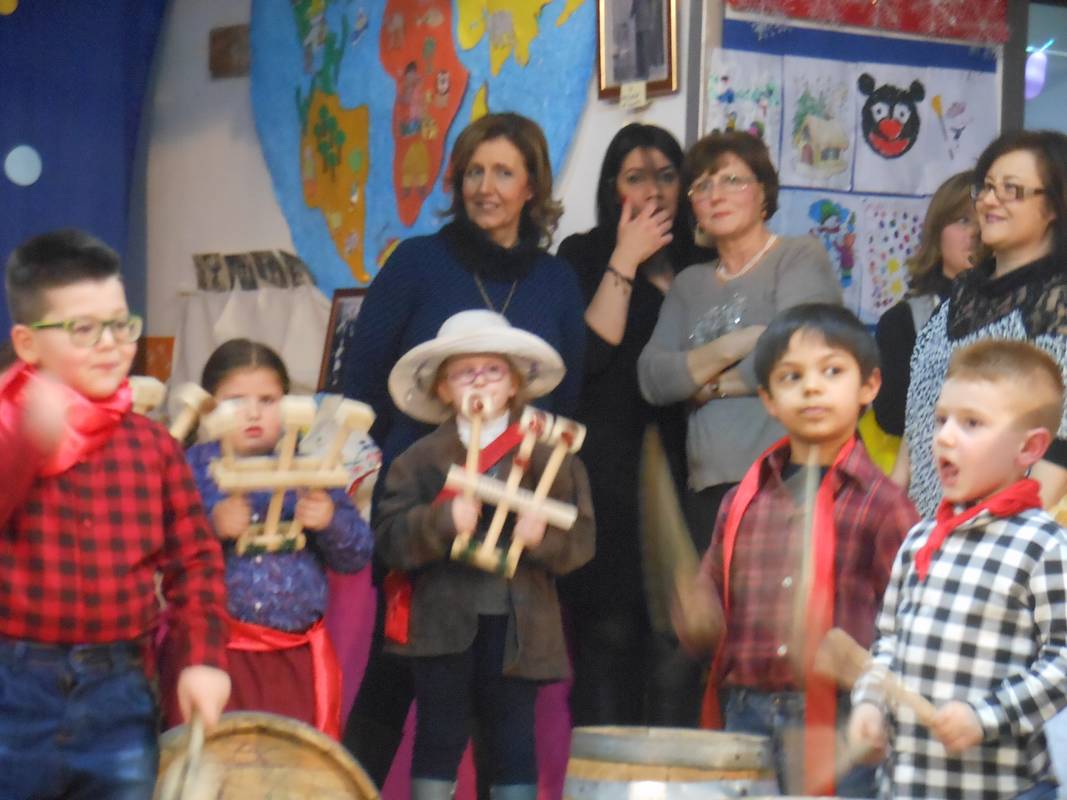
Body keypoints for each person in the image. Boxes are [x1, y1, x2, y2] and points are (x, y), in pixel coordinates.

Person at [341, 112, 586, 788]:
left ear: (532, 186)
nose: (485, 187)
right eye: (474, 172)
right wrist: (400, 482)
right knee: (394, 677)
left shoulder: (555, 280)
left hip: (514, 518)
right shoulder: (416, 263)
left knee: (500, 700)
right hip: (422, 506)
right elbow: (360, 383)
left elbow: (564, 400)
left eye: (503, 172)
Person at [0, 229, 231, 799]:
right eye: (83, 329)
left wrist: (201, 659)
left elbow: (196, 563)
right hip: (13, 687)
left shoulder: (152, 446)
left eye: (121, 324)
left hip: (119, 691)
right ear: (28, 344)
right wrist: (24, 446)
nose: (111, 344)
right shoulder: (8, 433)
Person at [673, 303, 918, 796]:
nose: (811, 388)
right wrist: (698, 614)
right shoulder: (741, 500)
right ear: (768, 398)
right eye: (791, 376)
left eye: (832, 371)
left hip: (842, 718)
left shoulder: (883, 504)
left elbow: (911, 621)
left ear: (869, 386)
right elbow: (711, 589)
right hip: (744, 712)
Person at [376, 310, 594, 800]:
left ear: (515, 382)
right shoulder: (418, 459)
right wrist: (440, 522)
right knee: (438, 733)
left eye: (492, 370)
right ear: (442, 389)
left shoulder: (551, 455)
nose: (479, 381)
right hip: (441, 623)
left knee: (513, 739)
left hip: (520, 625)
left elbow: (582, 543)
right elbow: (389, 540)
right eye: (463, 372)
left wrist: (542, 538)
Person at [849, 339, 1067, 800]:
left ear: (1029, 447)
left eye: (972, 423)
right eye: (941, 420)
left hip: (1004, 789)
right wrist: (870, 701)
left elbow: (1063, 661)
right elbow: (888, 642)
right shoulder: (920, 538)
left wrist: (987, 715)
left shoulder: (1044, 546)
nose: (945, 437)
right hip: (906, 787)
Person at [557, 122, 710, 727]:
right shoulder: (583, 255)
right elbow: (590, 357)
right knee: (609, 637)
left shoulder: (702, 263)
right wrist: (626, 257)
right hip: (607, 472)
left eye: (667, 176)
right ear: (611, 188)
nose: (654, 191)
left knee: (680, 643)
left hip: (688, 468)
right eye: (636, 178)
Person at [160, 339, 374, 737]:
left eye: (268, 400)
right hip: (214, 654)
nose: (253, 412)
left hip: (294, 656)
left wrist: (330, 521)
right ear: (208, 408)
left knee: (286, 760)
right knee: (213, 756)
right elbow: (158, 550)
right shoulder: (188, 469)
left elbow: (357, 554)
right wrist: (210, 526)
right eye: (235, 401)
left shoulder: (312, 470)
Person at [638, 131, 841, 547]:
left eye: (732, 180)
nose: (716, 195)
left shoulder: (797, 256)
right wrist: (737, 343)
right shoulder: (689, 284)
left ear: (763, 192)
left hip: (788, 480)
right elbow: (653, 379)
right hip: (709, 489)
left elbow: (792, 355)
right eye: (702, 186)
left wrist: (707, 385)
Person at [897, 130, 1067, 517]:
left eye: (1012, 190)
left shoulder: (1058, 302)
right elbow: (921, 412)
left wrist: (1006, 533)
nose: (990, 200)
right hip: (929, 524)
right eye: (987, 187)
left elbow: (1061, 446)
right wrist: (895, 506)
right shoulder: (959, 295)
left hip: (1007, 530)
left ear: (1054, 206)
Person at [865, 170, 976, 472]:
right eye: (963, 220)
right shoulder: (904, 320)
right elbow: (891, 416)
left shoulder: (1028, 309)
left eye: (985, 221)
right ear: (937, 232)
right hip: (927, 473)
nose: (975, 233)